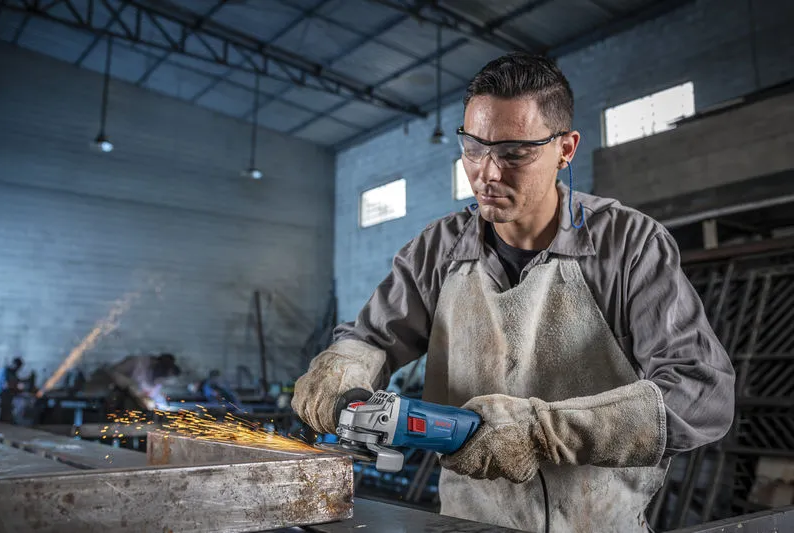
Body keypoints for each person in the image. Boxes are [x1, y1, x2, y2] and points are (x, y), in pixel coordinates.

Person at [291, 52, 736, 532]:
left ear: (566, 149)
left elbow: (699, 392)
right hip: (468, 524)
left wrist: (541, 433)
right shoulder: (436, 251)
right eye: (474, 148)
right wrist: (343, 366)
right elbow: (373, 338)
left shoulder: (628, 245)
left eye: (514, 153)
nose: (488, 173)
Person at [0, 357, 24, 423]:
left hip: (7, 395)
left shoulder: (13, 373)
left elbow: (16, 382)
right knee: (4, 411)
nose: (18, 369)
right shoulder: (6, 371)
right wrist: (17, 387)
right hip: (2, 394)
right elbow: (6, 385)